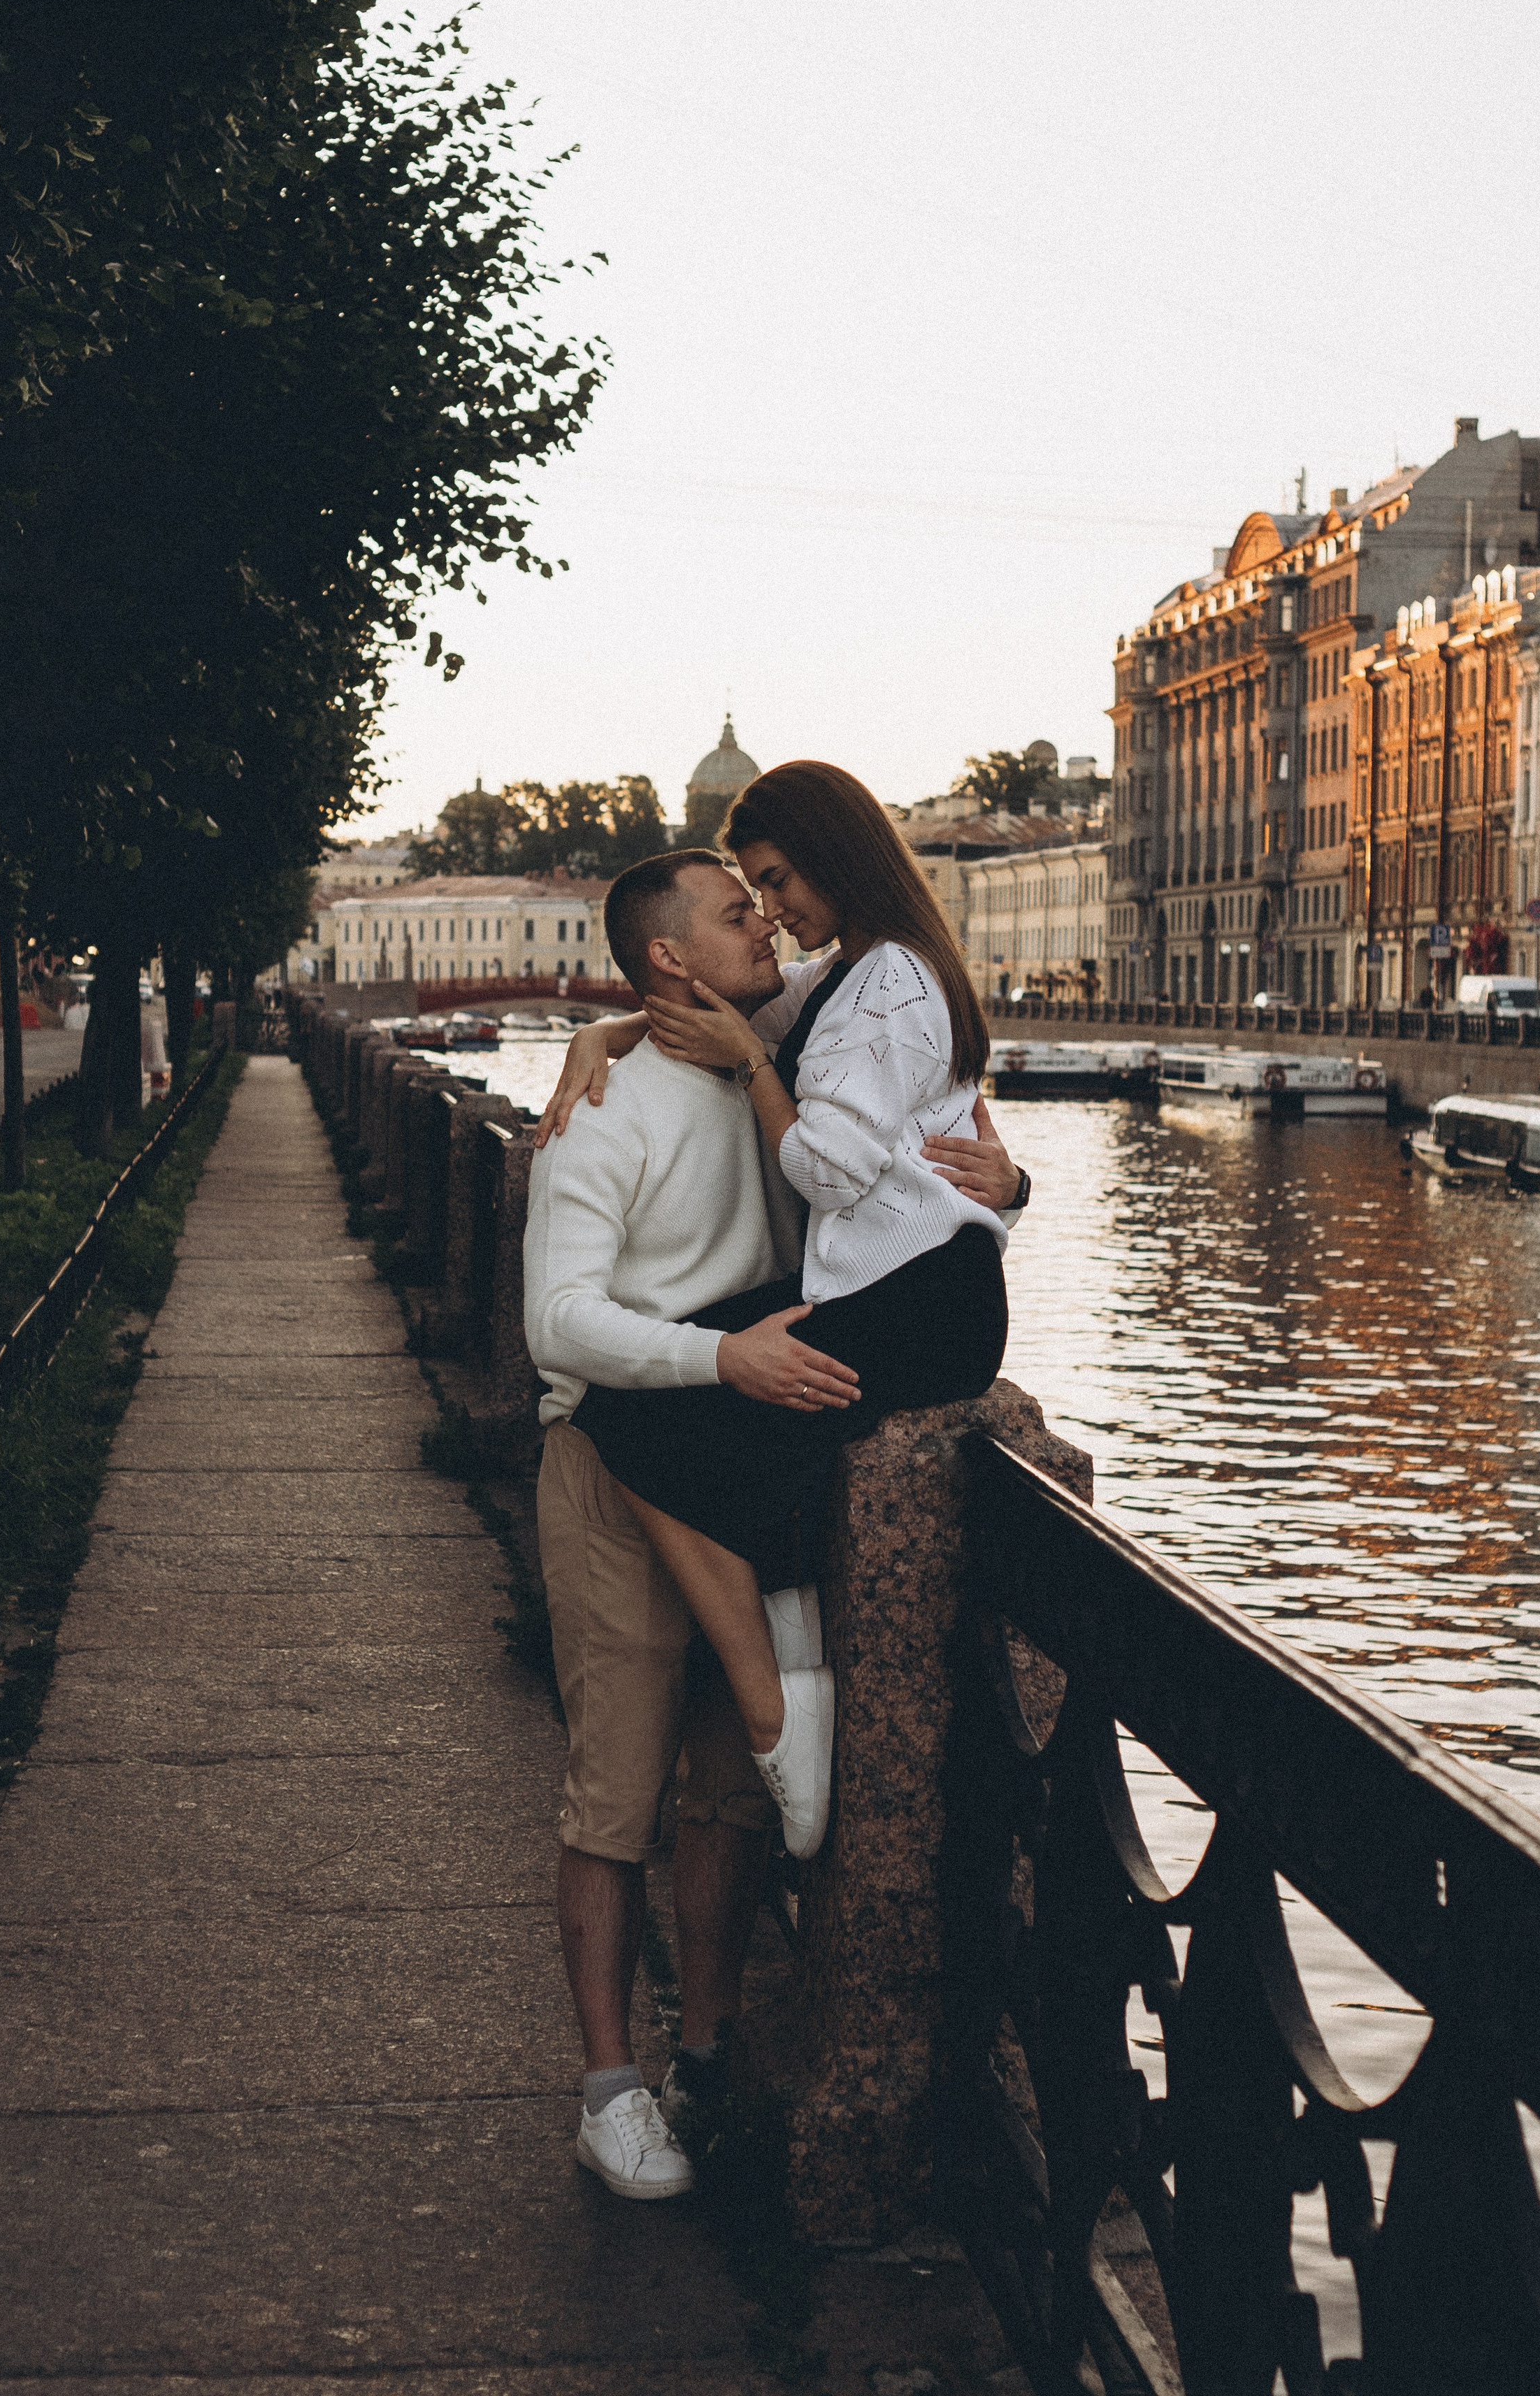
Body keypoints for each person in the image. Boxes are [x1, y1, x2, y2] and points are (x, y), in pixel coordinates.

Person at [522, 844, 1021, 2200]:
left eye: (767, 903)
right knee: (616, 1790)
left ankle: (714, 2052)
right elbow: (553, 1325)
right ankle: (608, 2089)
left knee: (730, 1796)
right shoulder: (605, 1108)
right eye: (737, 912)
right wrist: (717, 1362)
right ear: (677, 955)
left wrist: (1002, 1179)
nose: (773, 925)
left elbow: (902, 1084)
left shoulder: (787, 1036)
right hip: (634, 1451)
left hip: (748, 1426)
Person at [535, 760, 1027, 1867]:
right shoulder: (850, 973)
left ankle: (774, 1711)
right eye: (751, 895)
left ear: (834, 857)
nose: (773, 914)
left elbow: (829, 1173)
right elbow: (706, 1010)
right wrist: (595, 1040)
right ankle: (795, 1653)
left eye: (777, 881)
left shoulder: (894, 982)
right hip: (886, 1286)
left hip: (918, 1305)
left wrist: (758, 1068)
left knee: (631, 1420)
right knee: (698, 1388)